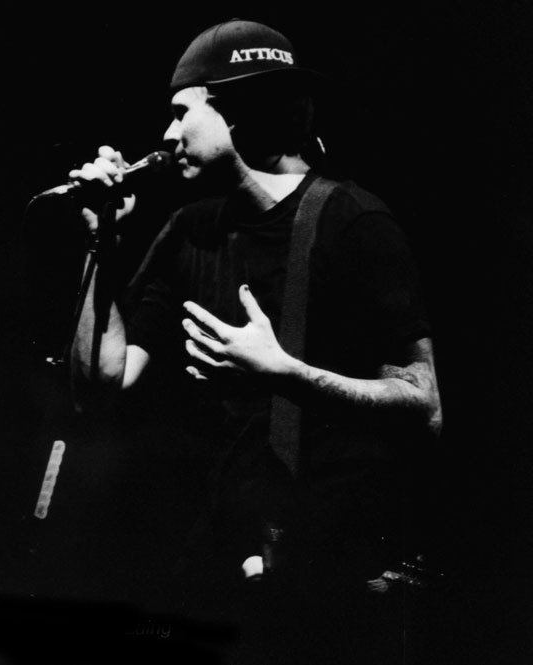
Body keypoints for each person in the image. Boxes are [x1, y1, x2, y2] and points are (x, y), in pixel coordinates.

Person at [67, 18, 442, 661]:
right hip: (225, 556)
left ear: (237, 110)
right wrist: (100, 241)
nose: (167, 135)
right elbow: (103, 382)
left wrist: (284, 372)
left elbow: (425, 403)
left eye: (183, 112)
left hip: (333, 570)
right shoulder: (191, 229)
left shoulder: (353, 222)